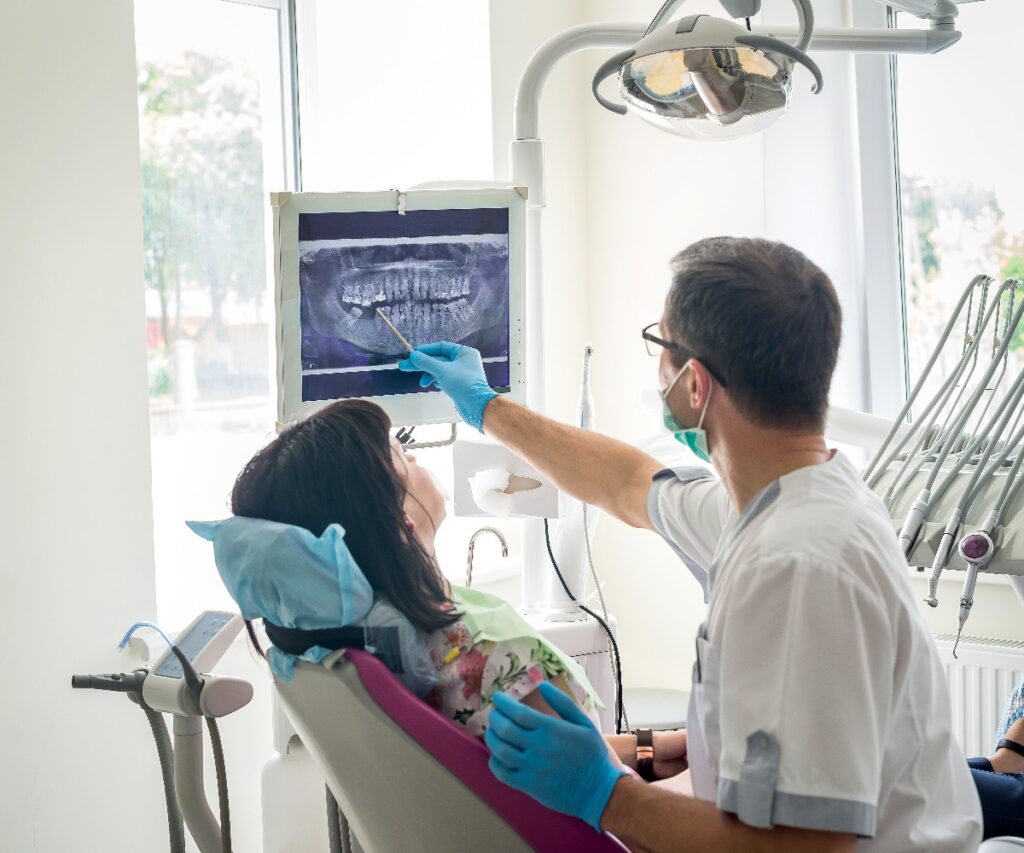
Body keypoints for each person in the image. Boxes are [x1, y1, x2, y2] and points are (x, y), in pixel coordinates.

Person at [397, 236, 985, 851]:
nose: (658, 367)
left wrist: (608, 795)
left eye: (661, 345)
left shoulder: (797, 563)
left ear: (695, 385)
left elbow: (808, 847)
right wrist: (487, 408)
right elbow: (625, 482)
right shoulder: (782, 500)